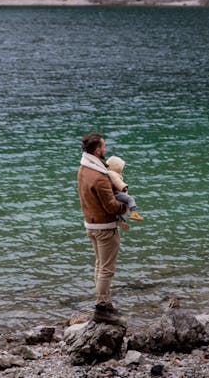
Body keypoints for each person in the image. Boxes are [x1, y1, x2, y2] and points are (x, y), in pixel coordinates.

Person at [77, 132, 127, 323]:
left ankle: (104, 302)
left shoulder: (82, 169)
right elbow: (111, 206)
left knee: (99, 265)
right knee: (107, 269)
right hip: (105, 227)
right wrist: (125, 207)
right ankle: (102, 308)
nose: (105, 149)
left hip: (91, 225)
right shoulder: (99, 177)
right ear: (97, 150)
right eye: (104, 146)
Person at [105, 155, 144, 230]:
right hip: (117, 192)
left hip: (115, 193)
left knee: (124, 204)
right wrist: (124, 187)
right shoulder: (112, 173)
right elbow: (117, 182)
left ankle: (120, 219)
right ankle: (133, 213)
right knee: (130, 199)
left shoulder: (107, 172)